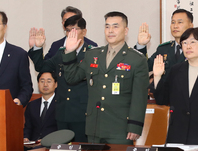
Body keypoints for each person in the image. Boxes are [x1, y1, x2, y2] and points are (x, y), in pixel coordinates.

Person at [62, 11, 149, 144]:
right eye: (107, 26)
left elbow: (139, 97)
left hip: (120, 129)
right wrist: (69, 52)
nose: (110, 31)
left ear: (126, 31)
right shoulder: (93, 55)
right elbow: (72, 78)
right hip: (94, 127)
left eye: (115, 26)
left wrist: (135, 125)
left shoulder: (136, 59)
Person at [153, 27, 198, 149]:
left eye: (193, 42)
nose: (188, 46)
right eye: (184, 43)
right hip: (177, 135)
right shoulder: (176, 70)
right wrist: (157, 77)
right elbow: (161, 100)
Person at [27, 15, 92, 142]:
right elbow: (42, 67)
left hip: (81, 113)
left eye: (74, 29)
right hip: (62, 112)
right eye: (68, 30)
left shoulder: (91, 53)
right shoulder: (61, 53)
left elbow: (75, 77)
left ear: (84, 31)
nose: (70, 33)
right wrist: (37, 48)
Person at [135, 9, 198, 92]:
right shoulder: (164, 49)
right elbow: (143, 67)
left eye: (180, 22)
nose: (175, 26)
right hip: (165, 101)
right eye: (173, 22)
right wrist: (141, 46)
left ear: (191, 25)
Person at [23, 72, 58, 142]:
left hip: (52, 145)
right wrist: (25, 138)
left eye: (49, 81)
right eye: (42, 81)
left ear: (56, 84)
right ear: (38, 84)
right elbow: (28, 127)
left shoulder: (61, 105)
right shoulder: (31, 105)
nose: (45, 85)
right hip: (33, 144)